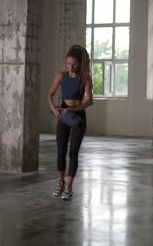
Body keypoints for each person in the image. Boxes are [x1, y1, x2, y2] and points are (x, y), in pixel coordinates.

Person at [47, 45, 94, 200]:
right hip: (63, 115)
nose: (70, 67)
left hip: (78, 116)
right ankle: (60, 182)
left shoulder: (85, 78)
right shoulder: (61, 75)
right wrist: (54, 109)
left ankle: (69, 187)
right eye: (68, 64)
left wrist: (74, 109)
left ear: (80, 64)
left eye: (73, 64)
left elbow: (90, 101)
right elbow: (49, 95)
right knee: (61, 150)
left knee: (73, 152)